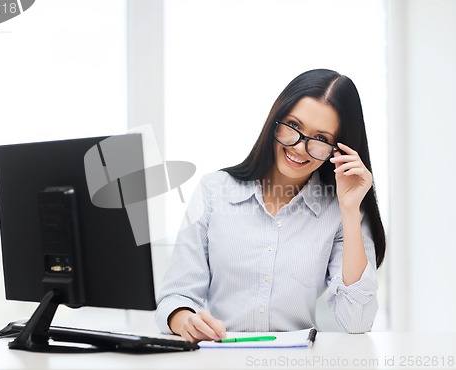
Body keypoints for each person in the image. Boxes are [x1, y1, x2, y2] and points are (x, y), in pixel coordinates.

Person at [155, 69, 386, 343]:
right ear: (275, 122)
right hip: (217, 358)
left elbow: (355, 321)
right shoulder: (214, 191)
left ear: (338, 150)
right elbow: (176, 297)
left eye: (321, 139)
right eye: (294, 126)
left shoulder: (341, 212)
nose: (300, 147)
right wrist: (186, 321)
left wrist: (349, 209)